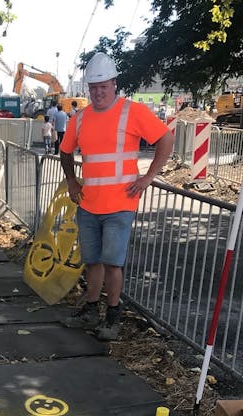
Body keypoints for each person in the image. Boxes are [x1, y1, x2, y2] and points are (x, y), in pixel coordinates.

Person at [59, 52, 174, 341]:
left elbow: (166, 139)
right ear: (88, 88)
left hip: (120, 204)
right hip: (88, 203)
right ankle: (91, 308)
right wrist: (72, 180)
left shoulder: (131, 111)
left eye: (103, 86)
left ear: (114, 84)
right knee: (92, 260)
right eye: (93, 87)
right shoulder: (80, 118)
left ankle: (112, 315)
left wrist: (149, 177)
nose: (98, 92)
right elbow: (65, 150)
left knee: (112, 262)